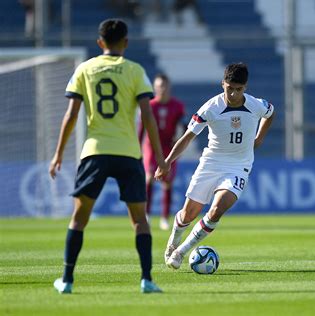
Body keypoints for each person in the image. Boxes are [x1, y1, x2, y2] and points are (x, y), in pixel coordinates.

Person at [49, 18, 167, 294]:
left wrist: (58, 155)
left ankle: (66, 280)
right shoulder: (135, 71)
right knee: (140, 220)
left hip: (95, 152)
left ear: (100, 42)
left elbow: (71, 115)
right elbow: (147, 115)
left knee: (79, 218)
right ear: (126, 42)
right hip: (128, 152)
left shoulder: (85, 69)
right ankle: (147, 279)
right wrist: (160, 158)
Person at [155, 62, 274, 269]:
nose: (235, 94)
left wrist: (259, 137)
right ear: (223, 84)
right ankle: (173, 241)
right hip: (211, 163)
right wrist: (167, 162)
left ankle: (181, 252)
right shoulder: (211, 108)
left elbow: (270, 113)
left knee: (217, 208)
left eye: (239, 89)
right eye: (230, 88)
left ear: (245, 87)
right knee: (188, 214)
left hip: (239, 166)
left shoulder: (255, 104)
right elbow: (187, 137)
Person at [138, 74, 186, 230]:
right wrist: (137, 149)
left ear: (169, 87)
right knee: (149, 178)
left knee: (167, 181)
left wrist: (181, 136)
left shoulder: (178, 106)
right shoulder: (150, 105)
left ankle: (164, 218)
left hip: (169, 148)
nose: (162, 89)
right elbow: (141, 129)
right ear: (154, 88)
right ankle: (147, 215)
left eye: (164, 86)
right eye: (159, 86)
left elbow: (184, 127)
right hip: (151, 146)